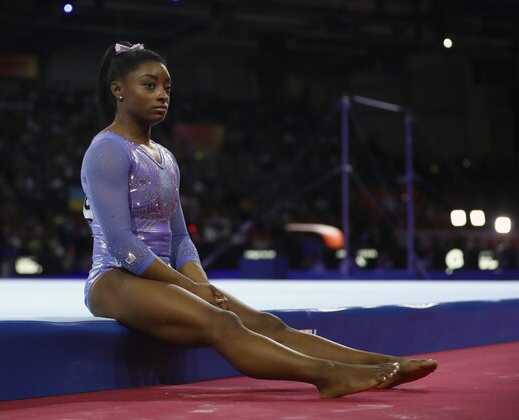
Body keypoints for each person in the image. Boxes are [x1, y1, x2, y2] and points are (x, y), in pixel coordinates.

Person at [81, 41, 437, 398]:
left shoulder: (165, 157)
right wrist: (191, 289)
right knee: (223, 321)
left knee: (267, 323)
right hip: (115, 278)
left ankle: (377, 364)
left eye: (167, 88)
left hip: (162, 279)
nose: (162, 95)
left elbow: (179, 239)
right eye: (149, 85)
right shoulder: (108, 149)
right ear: (118, 90)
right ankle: (329, 375)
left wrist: (202, 284)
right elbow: (122, 243)